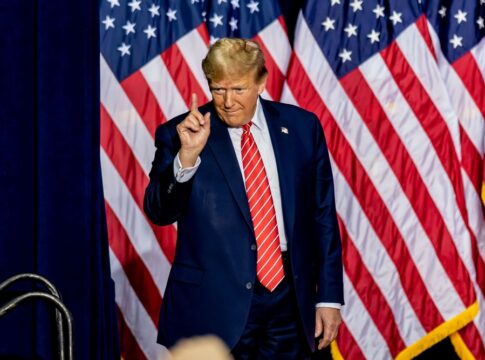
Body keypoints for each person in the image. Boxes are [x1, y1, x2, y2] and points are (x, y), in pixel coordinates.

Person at [144, 38, 344, 359]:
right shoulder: (180, 134)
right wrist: (187, 158)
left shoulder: (302, 128)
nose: (227, 102)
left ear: (261, 82)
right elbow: (159, 210)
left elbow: (322, 217)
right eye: (218, 89)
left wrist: (329, 298)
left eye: (238, 89)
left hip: (290, 303)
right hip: (214, 306)